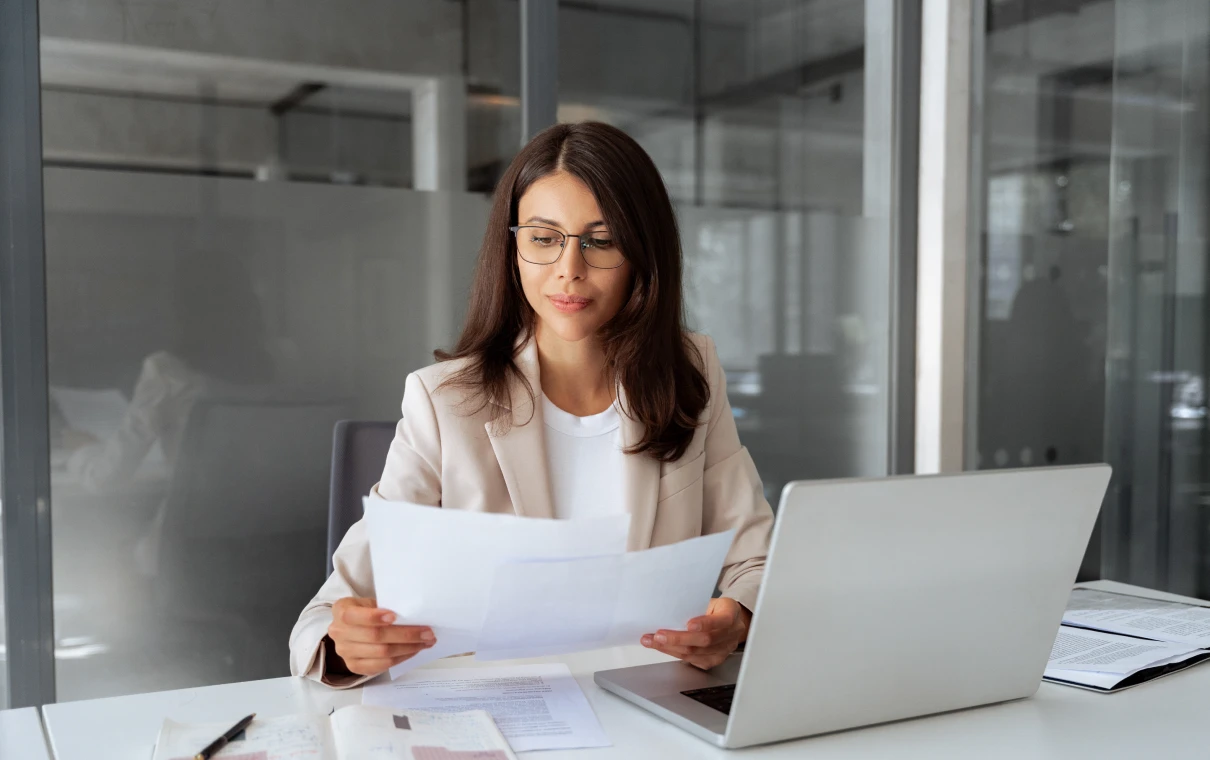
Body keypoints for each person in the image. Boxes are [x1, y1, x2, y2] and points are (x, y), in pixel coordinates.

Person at [289, 122, 775, 688]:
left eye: (602, 240)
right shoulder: (442, 402)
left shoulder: (691, 374)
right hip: (499, 713)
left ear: (644, 252)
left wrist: (737, 617)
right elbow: (326, 615)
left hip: (647, 708)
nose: (570, 268)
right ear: (513, 249)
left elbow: (757, 563)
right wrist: (345, 643)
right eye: (544, 238)